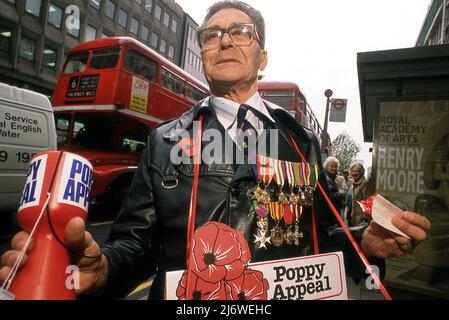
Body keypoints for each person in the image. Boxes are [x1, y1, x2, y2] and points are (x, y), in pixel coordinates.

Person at [0, 0, 431, 300]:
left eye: (239, 32)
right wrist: (103, 269)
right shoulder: (164, 141)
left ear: (262, 57)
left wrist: (365, 242)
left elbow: (323, 236)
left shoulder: (300, 143)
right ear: (203, 53)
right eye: (211, 35)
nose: (224, 41)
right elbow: (135, 243)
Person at [349, 162, 372, 226]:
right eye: (352, 171)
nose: (354, 173)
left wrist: (364, 218)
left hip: (361, 219)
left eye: (356, 171)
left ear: (361, 172)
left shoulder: (364, 183)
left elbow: (367, 201)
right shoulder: (355, 183)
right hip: (354, 217)